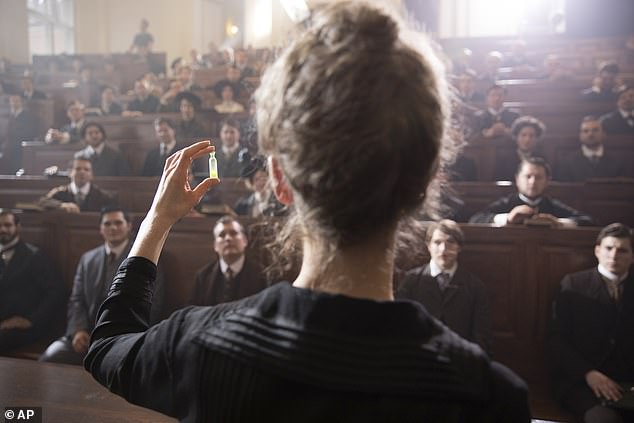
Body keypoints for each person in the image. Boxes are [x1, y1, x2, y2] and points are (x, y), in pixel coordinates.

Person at [84, 3, 530, 421]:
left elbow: (107, 343)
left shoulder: (198, 345)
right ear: (427, 181)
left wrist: (158, 220)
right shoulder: (490, 398)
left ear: (279, 178)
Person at [40, 207, 164, 365]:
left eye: (118, 223)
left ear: (129, 226)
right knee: (50, 356)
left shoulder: (147, 258)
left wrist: (122, 336)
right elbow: (76, 300)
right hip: (87, 334)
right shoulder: (88, 259)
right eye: (107, 224)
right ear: (101, 229)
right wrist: (78, 330)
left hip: (125, 336)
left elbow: (155, 304)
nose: (113, 228)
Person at [549, 223, 634, 423]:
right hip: (584, 382)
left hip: (628, 382)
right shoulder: (573, 284)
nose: (614, 256)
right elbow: (556, 339)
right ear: (597, 250)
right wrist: (588, 373)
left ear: (632, 256)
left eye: (622, 250)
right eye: (608, 248)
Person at [396, 220, 492, 354]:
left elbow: (481, 335)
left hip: (460, 359)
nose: (443, 249)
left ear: (459, 247)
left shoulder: (474, 286)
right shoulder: (411, 281)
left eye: (450, 242)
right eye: (437, 242)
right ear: (428, 246)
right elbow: (400, 327)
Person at [0, 209, 65, 355]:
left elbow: (56, 292)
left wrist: (31, 320)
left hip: (25, 326)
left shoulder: (35, 256)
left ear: (18, 227)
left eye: (7, 225)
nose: (3, 229)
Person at [469, 157, 593, 227]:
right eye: (528, 176)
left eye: (538, 177)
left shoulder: (551, 205)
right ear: (517, 179)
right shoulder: (507, 203)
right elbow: (475, 220)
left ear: (547, 181)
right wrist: (508, 218)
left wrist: (558, 222)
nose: (533, 182)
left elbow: (588, 221)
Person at [189, 216, 268, 306]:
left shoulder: (263, 275)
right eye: (222, 235)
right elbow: (193, 312)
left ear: (245, 241)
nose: (228, 238)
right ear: (215, 246)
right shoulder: (202, 277)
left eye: (233, 233)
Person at [557, 116, 630, 181]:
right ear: (580, 135)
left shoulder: (618, 162)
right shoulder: (567, 162)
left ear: (603, 134)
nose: (590, 134)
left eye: (595, 130)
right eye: (586, 131)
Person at [38, 157, 115, 213]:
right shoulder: (60, 192)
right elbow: (42, 202)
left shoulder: (103, 196)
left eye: (86, 169)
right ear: (70, 172)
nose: (82, 172)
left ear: (91, 175)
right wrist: (61, 205)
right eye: (78, 169)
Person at [493, 115, 546, 181]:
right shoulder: (504, 158)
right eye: (523, 135)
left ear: (537, 138)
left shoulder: (542, 159)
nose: (527, 139)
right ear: (516, 137)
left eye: (531, 136)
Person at [4, 94, 41, 174]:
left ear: (21, 102)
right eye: (12, 101)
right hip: (8, 148)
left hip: (20, 148)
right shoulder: (7, 116)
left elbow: (30, 132)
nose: (14, 103)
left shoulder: (28, 116)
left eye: (16, 101)